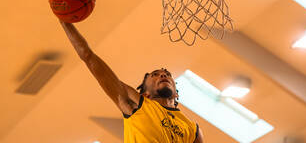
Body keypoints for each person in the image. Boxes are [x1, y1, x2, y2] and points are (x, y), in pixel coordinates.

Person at [60, 21, 204, 142]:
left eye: (167, 74)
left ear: (176, 93)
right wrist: (64, 20)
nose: (162, 75)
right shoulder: (135, 103)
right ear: (146, 93)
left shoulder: (192, 129)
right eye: (155, 75)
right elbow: (88, 55)